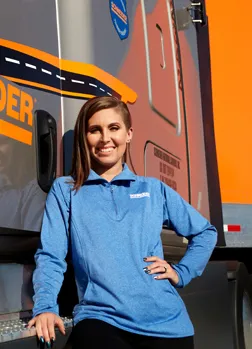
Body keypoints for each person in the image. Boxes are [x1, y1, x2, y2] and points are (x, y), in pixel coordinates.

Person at [28, 96, 217, 349]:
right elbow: (51, 255)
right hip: (102, 320)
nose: (105, 138)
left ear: (128, 134)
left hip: (168, 324)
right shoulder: (66, 190)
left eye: (113, 128)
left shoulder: (152, 189)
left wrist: (180, 273)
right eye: (95, 130)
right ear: (85, 137)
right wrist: (45, 307)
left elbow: (205, 232)